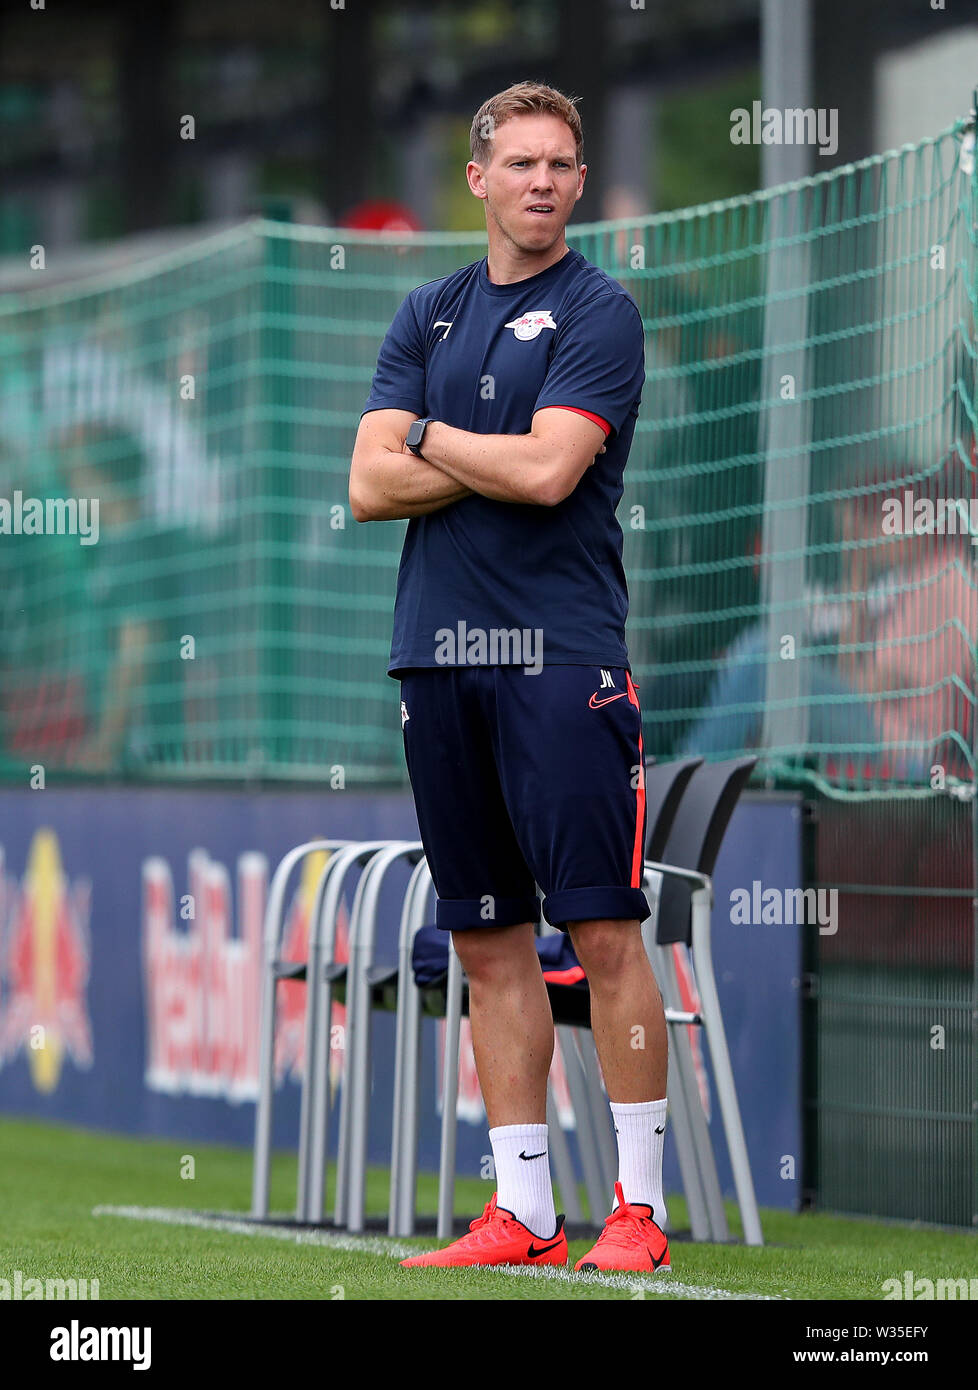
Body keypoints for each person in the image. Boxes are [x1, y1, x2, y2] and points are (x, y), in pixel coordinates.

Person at [349, 81, 670, 1273]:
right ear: (476, 180)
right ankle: (525, 1212)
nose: (542, 180)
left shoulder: (603, 312)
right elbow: (365, 485)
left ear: (580, 181)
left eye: (562, 163)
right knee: (489, 943)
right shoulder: (425, 314)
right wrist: (455, 449)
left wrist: (425, 436)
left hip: (561, 659)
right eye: (519, 162)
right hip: (436, 657)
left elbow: (547, 475)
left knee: (602, 931)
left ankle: (636, 1210)